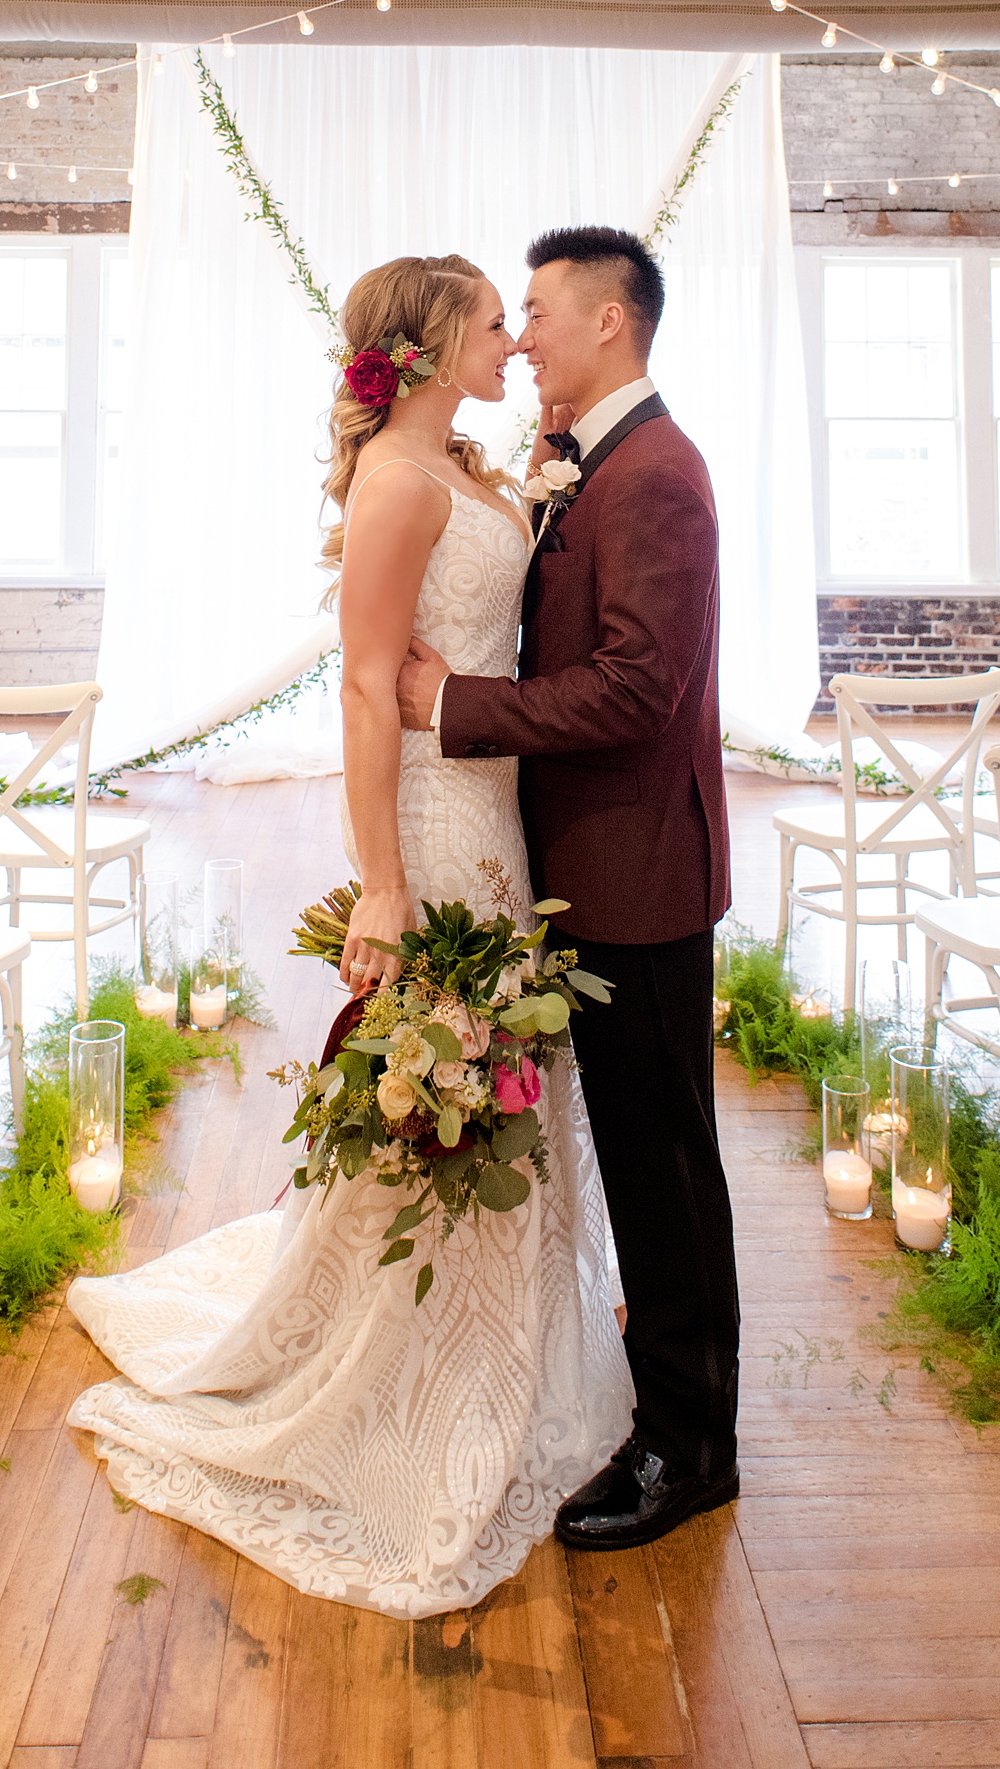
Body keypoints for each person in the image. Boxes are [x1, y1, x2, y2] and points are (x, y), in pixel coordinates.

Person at [65, 253, 631, 1619]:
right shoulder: (396, 481)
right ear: (433, 346)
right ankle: (411, 1379)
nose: (514, 335)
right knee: (448, 1089)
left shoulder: (478, 463)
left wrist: (548, 458)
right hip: (439, 824)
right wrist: (379, 883)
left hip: (504, 814)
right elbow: (368, 694)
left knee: (509, 1079)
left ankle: (501, 1353)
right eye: (496, 320)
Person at [397, 225, 740, 1553]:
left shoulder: (654, 476)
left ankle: (689, 1446)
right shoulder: (599, 467)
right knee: (642, 1163)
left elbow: (639, 689)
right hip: (590, 866)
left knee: (664, 1170)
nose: (523, 333)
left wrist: (453, 703)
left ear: (607, 322)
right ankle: (667, 1402)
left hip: (639, 877)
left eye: (536, 308)